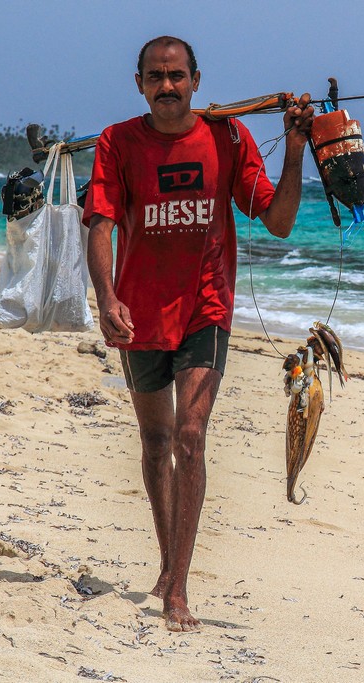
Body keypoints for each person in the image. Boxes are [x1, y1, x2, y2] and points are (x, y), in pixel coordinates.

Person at [82, 35, 314, 632]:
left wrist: (295, 151)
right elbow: (102, 224)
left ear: (196, 80)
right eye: (156, 77)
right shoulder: (117, 142)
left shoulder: (227, 138)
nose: (167, 86)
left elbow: (281, 223)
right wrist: (105, 296)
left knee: (191, 436)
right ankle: (167, 562)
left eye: (177, 76)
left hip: (206, 311)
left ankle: (177, 591)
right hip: (138, 314)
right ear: (139, 84)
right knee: (156, 444)